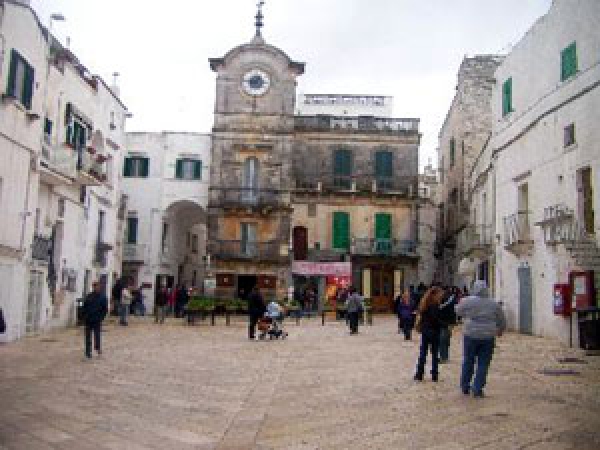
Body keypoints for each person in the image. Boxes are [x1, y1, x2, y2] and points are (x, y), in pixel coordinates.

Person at [455, 280, 506, 398]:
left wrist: (468, 315)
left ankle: (465, 386)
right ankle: (477, 388)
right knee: (483, 363)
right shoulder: (494, 304)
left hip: (470, 335)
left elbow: (458, 311)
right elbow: (501, 319)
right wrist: (500, 330)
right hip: (488, 336)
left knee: (468, 360)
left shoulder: (467, 301)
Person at [414, 286, 445, 382]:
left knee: (423, 353)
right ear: (435, 295)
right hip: (433, 331)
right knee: (435, 353)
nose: (441, 296)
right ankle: (434, 374)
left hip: (425, 331)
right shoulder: (434, 305)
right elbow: (434, 319)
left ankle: (419, 374)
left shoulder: (424, 304)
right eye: (440, 294)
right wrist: (444, 324)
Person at [82, 281, 108, 359]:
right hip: (88, 319)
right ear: (93, 287)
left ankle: (97, 348)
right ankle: (88, 351)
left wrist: (101, 317)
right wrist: (84, 316)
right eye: (95, 286)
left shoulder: (103, 297)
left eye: (98, 286)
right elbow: (85, 306)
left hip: (97, 319)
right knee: (87, 336)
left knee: (97, 335)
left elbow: (105, 309)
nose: (97, 288)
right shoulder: (89, 296)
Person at [438, 287, 459, 363]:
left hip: (444, 323)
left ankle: (443, 357)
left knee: (443, 340)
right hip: (450, 323)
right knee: (446, 340)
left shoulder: (443, 302)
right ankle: (445, 356)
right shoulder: (453, 300)